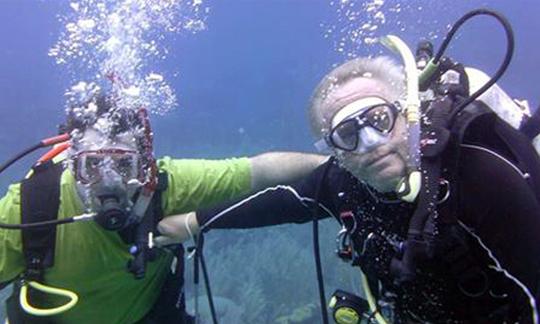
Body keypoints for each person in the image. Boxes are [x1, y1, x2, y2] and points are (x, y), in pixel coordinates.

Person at [159, 55, 540, 323]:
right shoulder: (342, 184)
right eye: (347, 134)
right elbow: (281, 203)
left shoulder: (478, 174)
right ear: (333, 151)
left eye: (379, 119)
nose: (371, 142)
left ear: (408, 115)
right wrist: (193, 221)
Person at [0, 94, 326, 324]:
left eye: (124, 165)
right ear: (71, 165)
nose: (109, 183)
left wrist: (349, 164)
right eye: (93, 165)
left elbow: (259, 170)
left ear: (146, 166)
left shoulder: (164, 186)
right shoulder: (31, 209)